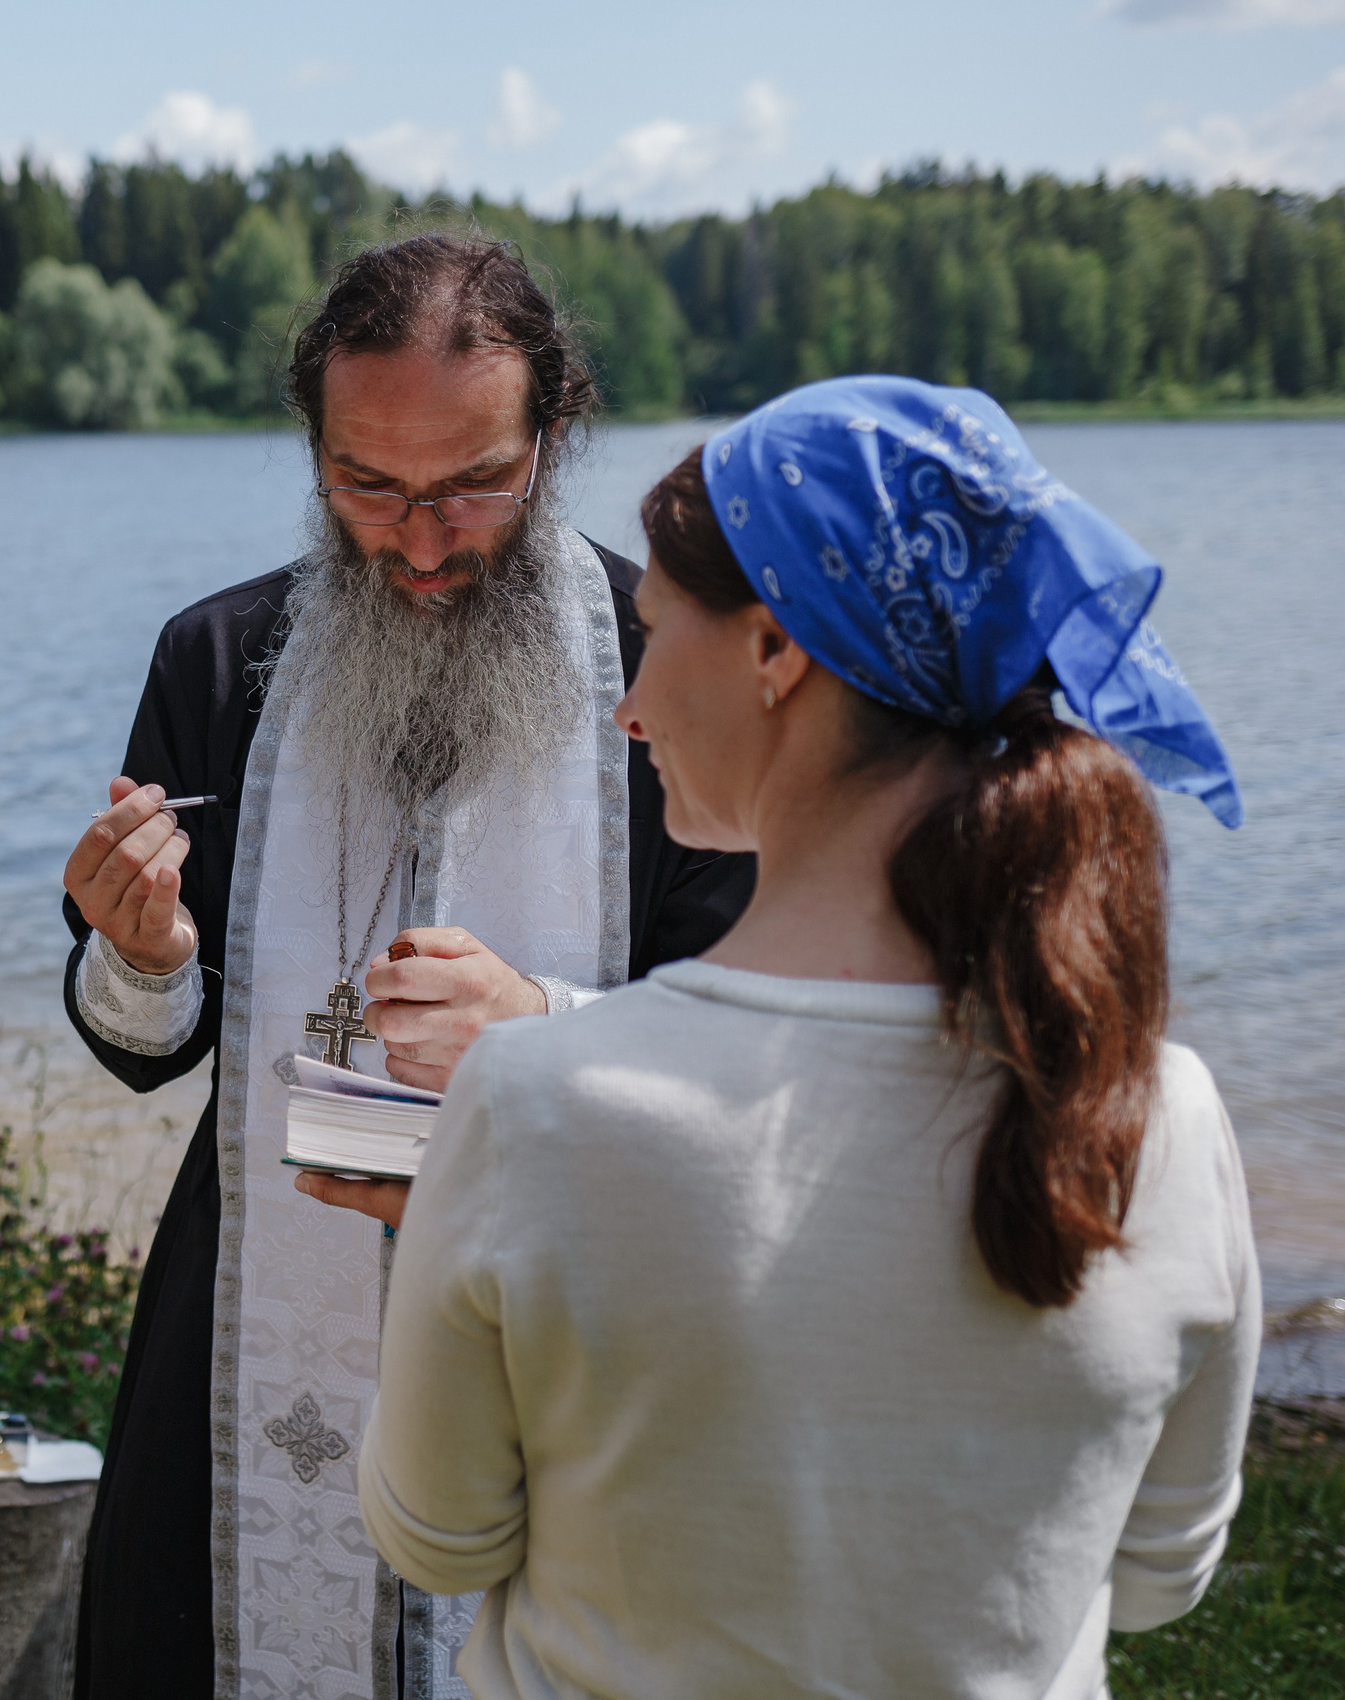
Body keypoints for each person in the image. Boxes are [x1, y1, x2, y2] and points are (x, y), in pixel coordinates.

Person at [359, 375, 1259, 1699]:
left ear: (774, 649)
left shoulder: (537, 1105)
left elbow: (438, 1537)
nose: (629, 707)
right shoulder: (1161, 1110)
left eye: (653, 634)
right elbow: (1159, 1571)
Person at [57, 235, 755, 1699]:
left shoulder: (667, 665)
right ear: (313, 451)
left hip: (576, 1309)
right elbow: (144, 1042)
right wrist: (147, 951)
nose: (422, 543)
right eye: (366, 485)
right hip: (248, 1305)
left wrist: (541, 1022)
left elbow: (756, 1047)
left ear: (554, 436)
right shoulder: (218, 660)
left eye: (472, 486)